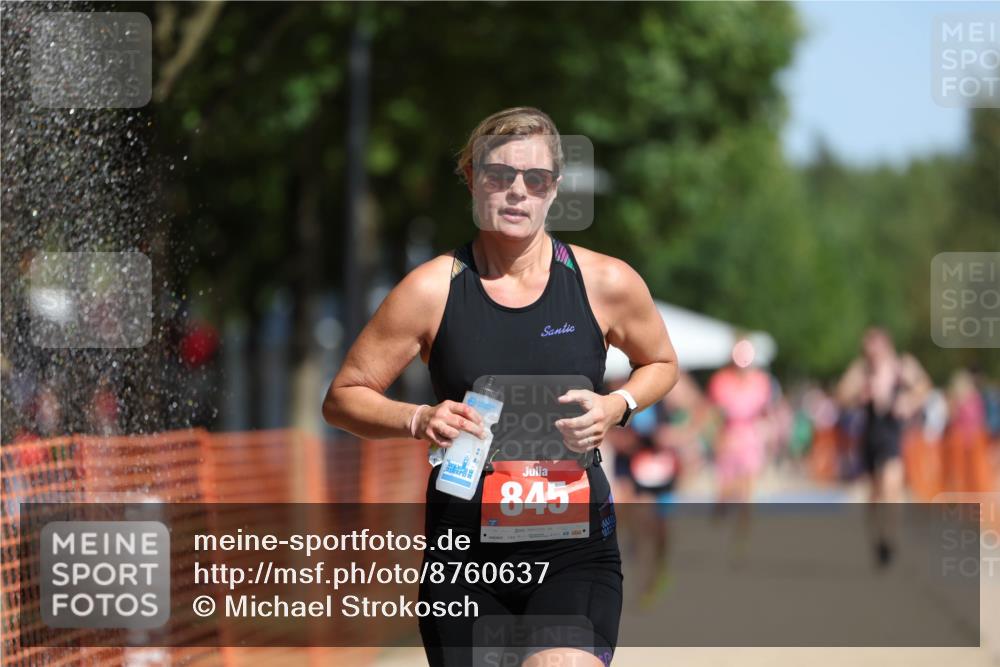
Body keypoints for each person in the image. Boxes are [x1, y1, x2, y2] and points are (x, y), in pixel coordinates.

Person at [323, 106, 678, 667]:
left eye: (535, 179)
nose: (517, 191)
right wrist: (419, 419)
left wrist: (619, 404)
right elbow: (343, 396)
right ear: (471, 178)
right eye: (499, 175)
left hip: (572, 548)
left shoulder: (604, 282)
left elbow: (660, 362)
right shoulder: (432, 289)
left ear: (554, 189)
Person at [835, 326, 931, 566]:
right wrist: (859, 394)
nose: (872, 353)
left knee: (892, 487)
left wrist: (909, 400)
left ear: (886, 345)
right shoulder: (861, 370)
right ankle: (877, 537)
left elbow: (924, 387)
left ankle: (890, 535)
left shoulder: (903, 365)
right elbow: (841, 395)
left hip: (891, 435)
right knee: (875, 494)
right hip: (869, 436)